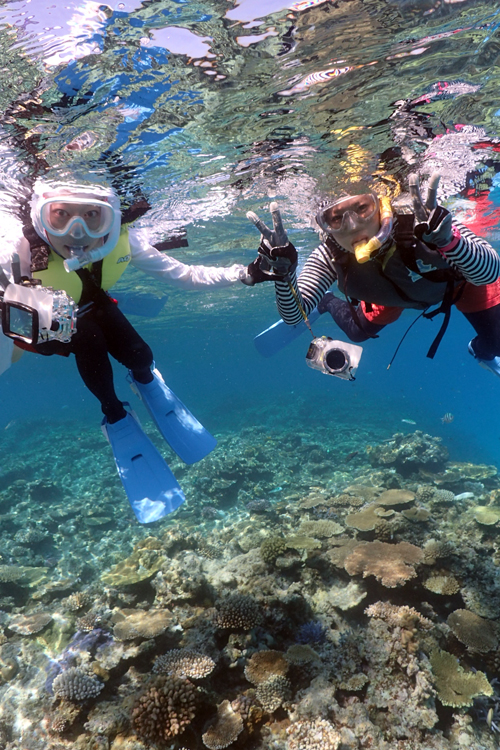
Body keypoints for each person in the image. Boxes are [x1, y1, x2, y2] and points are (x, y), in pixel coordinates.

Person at [1, 176, 251, 524]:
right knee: (90, 342)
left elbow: (186, 275)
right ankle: (114, 413)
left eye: (92, 215)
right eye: (61, 215)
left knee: (141, 356)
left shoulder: (124, 240)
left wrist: (246, 273)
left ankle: (145, 379)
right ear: (39, 216)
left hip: (94, 303)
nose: (77, 232)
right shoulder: (14, 251)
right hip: (54, 323)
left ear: (111, 217)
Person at [245, 172, 500, 375]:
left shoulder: (425, 223)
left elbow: (489, 273)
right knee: (357, 333)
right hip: (389, 294)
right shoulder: (328, 255)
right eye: (336, 219)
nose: (352, 225)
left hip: (461, 283)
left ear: (380, 205)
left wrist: (449, 243)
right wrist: (284, 275)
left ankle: (480, 351)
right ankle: (326, 301)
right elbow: (294, 316)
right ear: (325, 227)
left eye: (362, 208)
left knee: (497, 343)